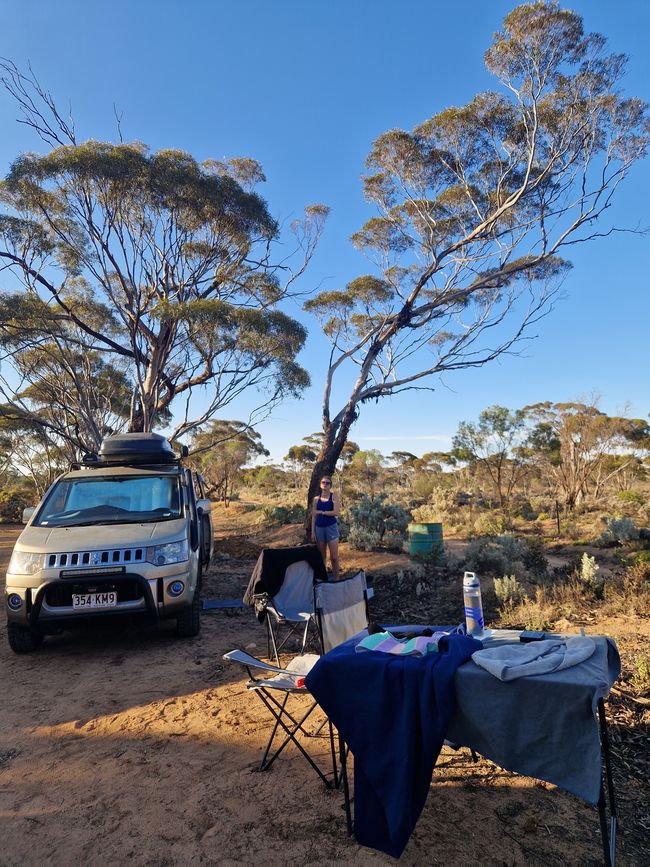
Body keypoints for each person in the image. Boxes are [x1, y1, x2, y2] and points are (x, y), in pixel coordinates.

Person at [310, 475, 341, 580]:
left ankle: (336, 579)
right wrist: (313, 532)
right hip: (319, 529)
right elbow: (314, 516)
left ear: (330, 485)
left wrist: (321, 512)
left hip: (331, 528)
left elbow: (336, 512)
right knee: (322, 557)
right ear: (320, 485)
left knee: (334, 557)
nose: (325, 484)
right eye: (323, 482)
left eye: (327, 483)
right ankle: (324, 579)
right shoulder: (316, 499)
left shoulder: (334, 497)